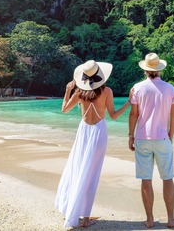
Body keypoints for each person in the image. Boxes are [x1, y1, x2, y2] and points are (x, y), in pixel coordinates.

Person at [56, 60, 132, 228]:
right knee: (92, 175)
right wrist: (128, 102)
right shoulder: (107, 91)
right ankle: (85, 219)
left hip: (83, 133)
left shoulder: (79, 92)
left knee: (77, 169)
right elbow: (113, 115)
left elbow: (64, 109)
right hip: (98, 133)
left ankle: (74, 211)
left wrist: (68, 91)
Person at [128, 53, 174, 228]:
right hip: (162, 138)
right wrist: (170, 136)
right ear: (159, 70)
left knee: (146, 179)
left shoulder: (137, 88)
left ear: (145, 70)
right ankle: (171, 220)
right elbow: (173, 116)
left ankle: (150, 220)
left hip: (143, 138)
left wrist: (131, 136)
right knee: (167, 178)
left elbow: (133, 114)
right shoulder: (170, 88)